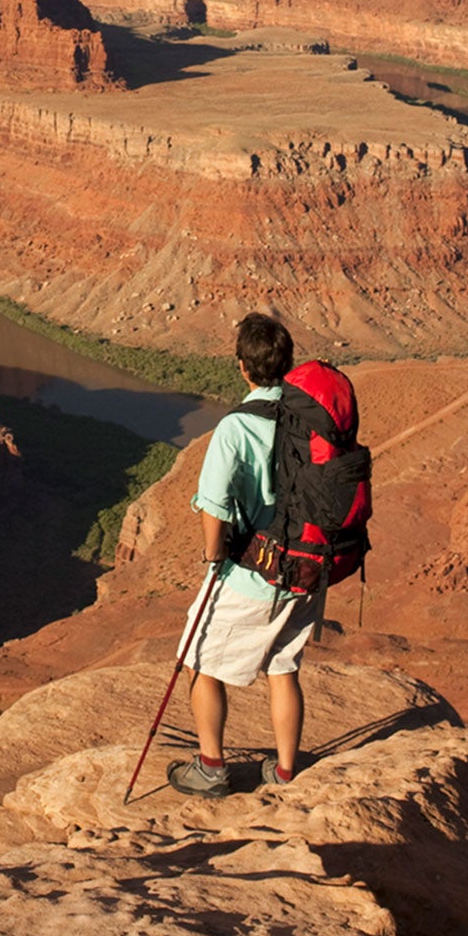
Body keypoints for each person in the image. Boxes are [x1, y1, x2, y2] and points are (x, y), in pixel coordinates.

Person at [167, 311, 317, 796]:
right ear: (287, 363)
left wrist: (215, 558)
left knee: (200, 660)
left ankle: (212, 768)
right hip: (307, 569)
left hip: (254, 573)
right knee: (282, 665)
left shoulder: (236, 427)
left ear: (242, 367)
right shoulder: (310, 417)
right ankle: (286, 772)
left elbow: (212, 506)